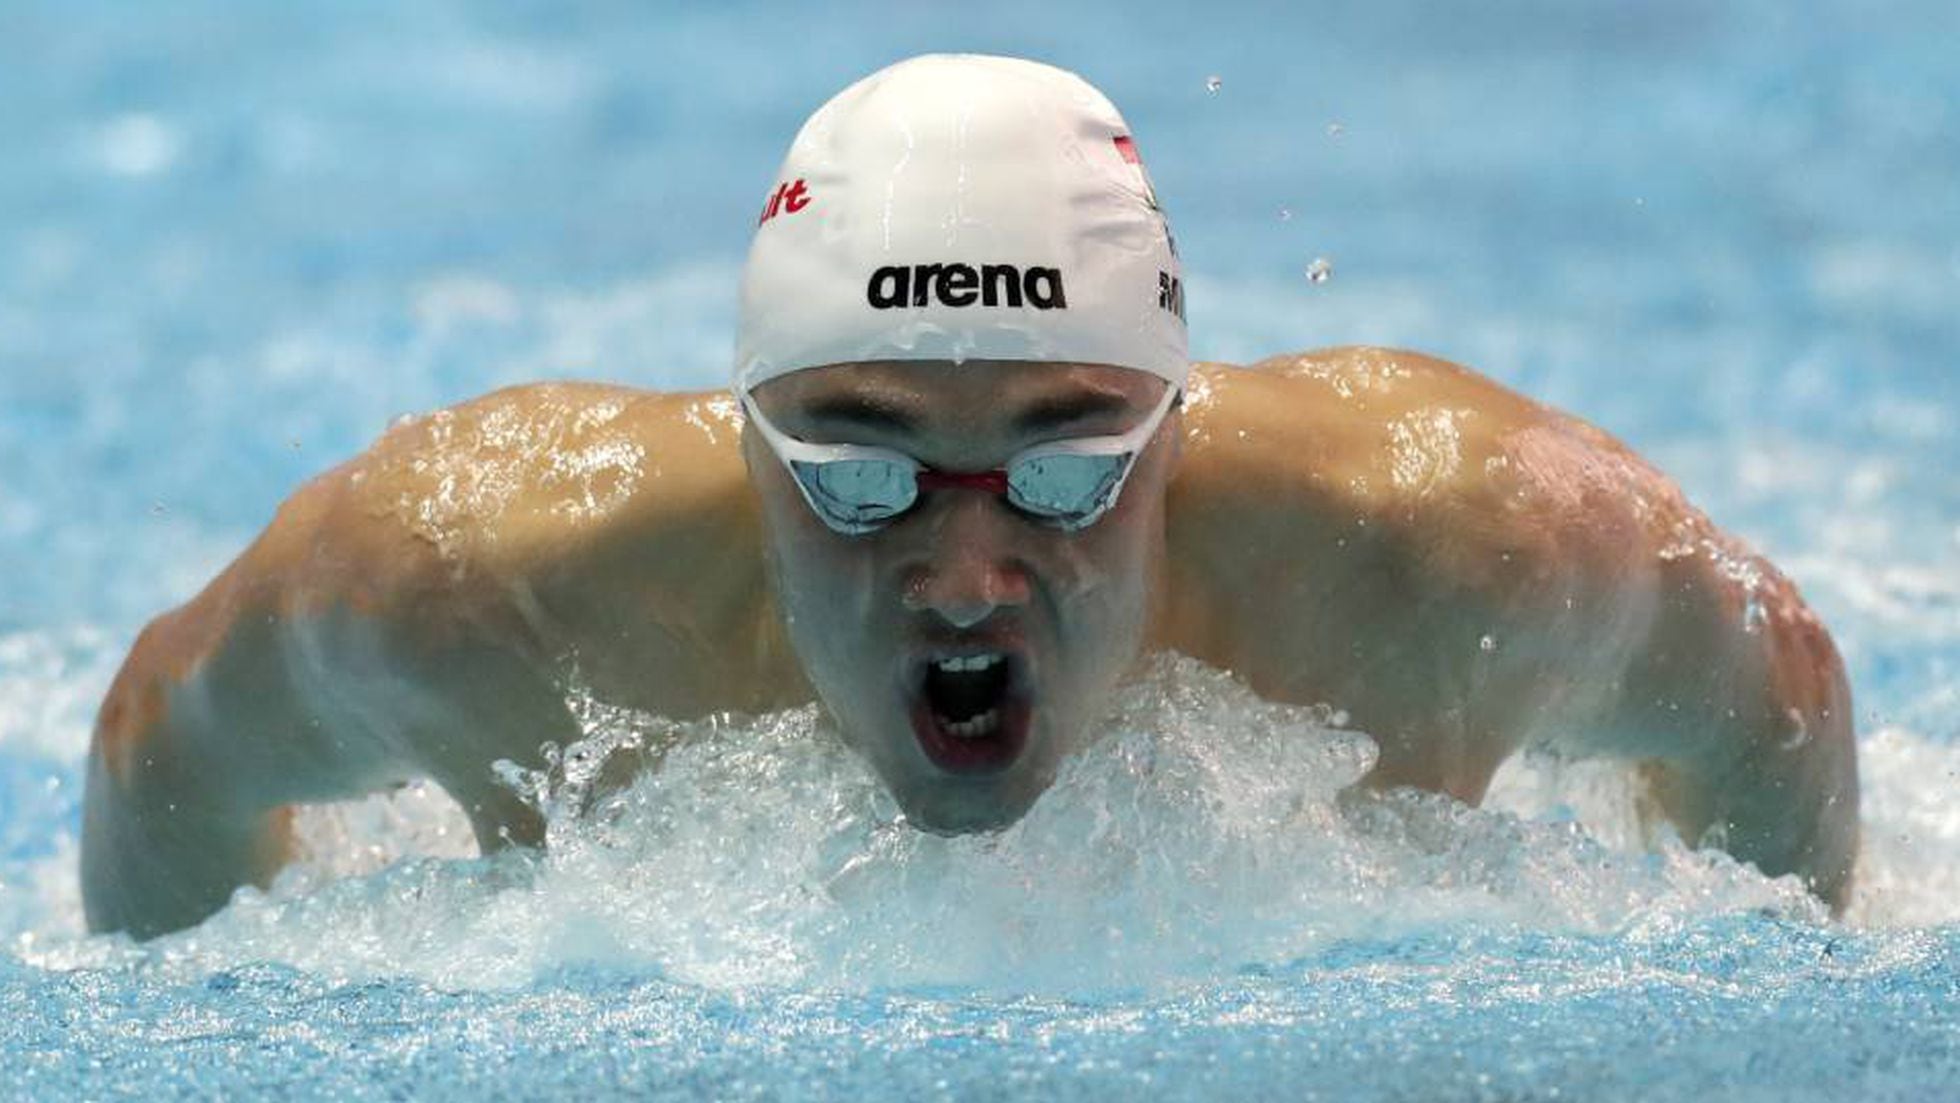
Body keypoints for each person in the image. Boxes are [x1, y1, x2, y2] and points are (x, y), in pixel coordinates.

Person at [81, 54, 1858, 940]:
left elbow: (1783, 693)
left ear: (1175, 434)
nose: (964, 573)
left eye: (1071, 467)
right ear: (748, 436)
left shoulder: (1451, 554)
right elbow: (163, 737)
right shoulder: (483, 587)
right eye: (858, 474)